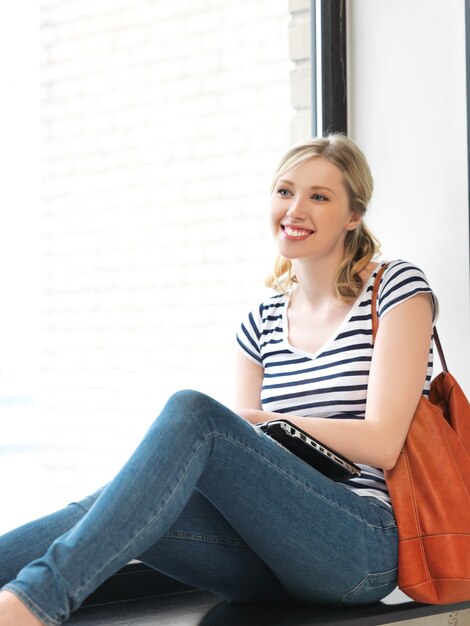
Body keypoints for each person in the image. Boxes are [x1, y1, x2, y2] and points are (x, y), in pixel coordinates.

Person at [0, 134, 437, 625]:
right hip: (268, 562)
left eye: (319, 196)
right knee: (122, 502)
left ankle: (36, 603)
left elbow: (382, 443)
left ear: (353, 215)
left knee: (195, 414)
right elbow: (240, 468)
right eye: (284, 191)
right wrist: (242, 434)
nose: (295, 209)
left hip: (360, 549)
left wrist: (261, 420)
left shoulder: (395, 288)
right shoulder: (260, 323)